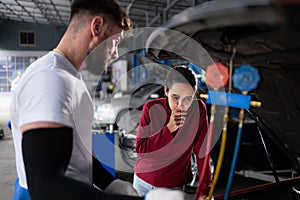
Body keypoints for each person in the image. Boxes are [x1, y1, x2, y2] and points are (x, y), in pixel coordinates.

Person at [10, 0, 184, 200]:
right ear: (97, 27)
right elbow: (45, 186)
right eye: (116, 43)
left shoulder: (71, 77)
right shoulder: (50, 79)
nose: (116, 54)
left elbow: (78, 154)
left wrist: (110, 183)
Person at [133, 65, 212, 200]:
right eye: (175, 97)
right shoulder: (151, 108)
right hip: (142, 182)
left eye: (188, 98)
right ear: (166, 91)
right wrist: (169, 128)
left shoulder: (198, 110)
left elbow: (202, 153)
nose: (181, 105)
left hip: (172, 185)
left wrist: (205, 190)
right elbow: (141, 150)